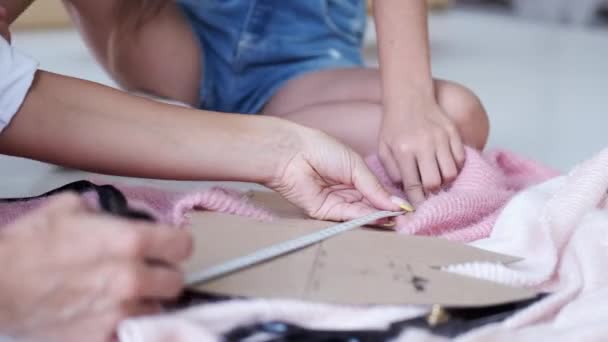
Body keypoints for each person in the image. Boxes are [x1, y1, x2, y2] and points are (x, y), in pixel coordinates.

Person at [0, 3, 405, 340]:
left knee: (457, 111)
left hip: (286, 76)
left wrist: (283, 153)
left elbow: (11, 94)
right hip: (179, 48)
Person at [66, 0, 490, 206]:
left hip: (302, 66)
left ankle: (237, 136)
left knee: (459, 116)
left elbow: (431, 112)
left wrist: (410, 102)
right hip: (175, 36)